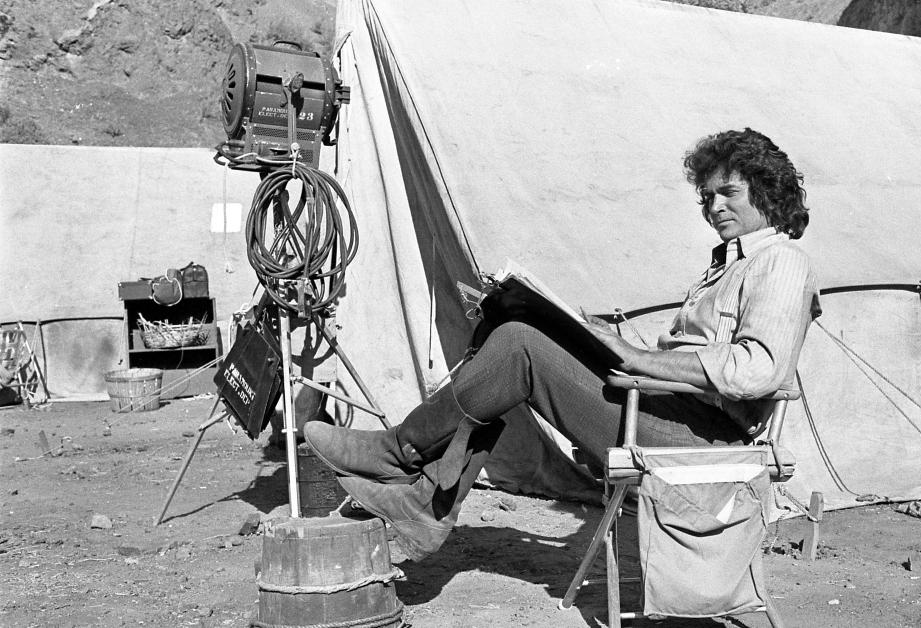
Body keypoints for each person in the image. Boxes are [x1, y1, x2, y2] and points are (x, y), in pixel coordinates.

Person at [304, 127, 822, 560]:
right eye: (706, 196)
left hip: (703, 441)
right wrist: (596, 339)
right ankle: (423, 504)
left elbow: (761, 369)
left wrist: (641, 358)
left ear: (766, 190)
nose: (713, 206)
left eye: (728, 193)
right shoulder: (729, 265)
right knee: (506, 343)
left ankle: (401, 457)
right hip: (667, 412)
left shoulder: (780, 262)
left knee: (519, 347)